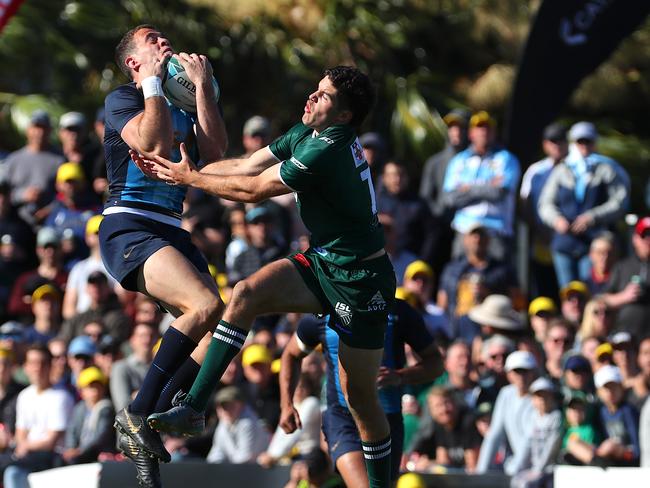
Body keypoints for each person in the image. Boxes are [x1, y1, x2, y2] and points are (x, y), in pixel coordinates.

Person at [140, 66, 396, 488]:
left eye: (325, 96)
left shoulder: (327, 149)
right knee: (244, 295)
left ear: (345, 116)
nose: (313, 98)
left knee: (361, 401)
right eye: (315, 89)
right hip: (324, 261)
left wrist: (189, 178)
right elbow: (247, 163)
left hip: (362, 278)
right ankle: (193, 407)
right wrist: (181, 170)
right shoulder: (308, 133)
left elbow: (254, 189)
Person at [100, 24, 228, 485]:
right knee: (206, 305)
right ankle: (137, 413)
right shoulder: (123, 99)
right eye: (152, 39)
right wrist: (153, 82)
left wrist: (201, 93)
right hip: (129, 224)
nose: (163, 41)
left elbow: (213, 154)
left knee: (222, 332)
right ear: (134, 62)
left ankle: (145, 422)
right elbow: (152, 144)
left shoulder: (177, 104)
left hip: (172, 230)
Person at [278, 299, 442, 487]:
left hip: (387, 420)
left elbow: (436, 363)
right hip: (343, 418)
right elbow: (290, 354)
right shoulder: (322, 313)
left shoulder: (398, 311)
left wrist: (399, 376)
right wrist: (286, 404)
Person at [538, 121, 628, 288]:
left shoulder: (606, 168)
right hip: (565, 241)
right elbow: (545, 204)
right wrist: (557, 220)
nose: (584, 146)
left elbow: (620, 202)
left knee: (590, 289)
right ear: (573, 143)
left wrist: (592, 217)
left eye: (588, 141)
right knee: (568, 292)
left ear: (595, 142)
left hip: (594, 242)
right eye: (580, 141)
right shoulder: (563, 169)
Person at [442, 111, 521, 261]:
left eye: (488, 128)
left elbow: (499, 193)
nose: (484, 131)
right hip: (464, 230)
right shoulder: (459, 161)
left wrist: (468, 188)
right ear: (471, 133)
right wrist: (487, 186)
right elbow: (450, 198)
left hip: (496, 231)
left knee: (497, 280)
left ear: (494, 132)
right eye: (479, 127)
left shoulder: (506, 159)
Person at [2, 345, 74, 488]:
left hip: (52, 456)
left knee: (10, 469)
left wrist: (25, 446)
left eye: (42, 363)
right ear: (26, 367)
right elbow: (20, 433)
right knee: (11, 471)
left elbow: (51, 442)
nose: (38, 368)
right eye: (33, 363)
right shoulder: (24, 396)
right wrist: (21, 446)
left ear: (50, 366)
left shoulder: (61, 397)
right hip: (26, 455)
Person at [519, 122, 568, 298]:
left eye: (561, 140)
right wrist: (540, 232)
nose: (557, 145)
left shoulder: (577, 168)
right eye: (553, 141)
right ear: (545, 144)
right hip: (541, 240)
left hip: (569, 240)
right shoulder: (536, 171)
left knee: (568, 290)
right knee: (542, 289)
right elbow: (525, 207)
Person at [476, 350, 537, 475]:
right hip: (515, 468)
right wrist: (481, 472)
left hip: (536, 468)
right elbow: (494, 435)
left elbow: (530, 440)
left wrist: (515, 469)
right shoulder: (506, 394)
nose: (521, 376)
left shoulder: (540, 397)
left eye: (525, 371)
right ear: (508, 374)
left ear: (533, 373)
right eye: (517, 371)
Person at [1, 110, 65, 226]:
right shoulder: (13, 159)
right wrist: (22, 195)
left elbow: (66, 193)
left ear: (50, 130)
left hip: (51, 221)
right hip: (17, 222)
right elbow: (5, 193)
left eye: (43, 128)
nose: (39, 132)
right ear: (28, 130)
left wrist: (50, 209)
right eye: (36, 127)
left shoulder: (59, 159)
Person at [408, 386, 482, 472]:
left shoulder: (467, 422)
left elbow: (472, 467)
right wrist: (427, 464)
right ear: (431, 411)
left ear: (455, 403)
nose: (444, 409)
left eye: (447, 403)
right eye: (438, 406)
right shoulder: (440, 424)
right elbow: (443, 461)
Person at [509, 377, 562, 488]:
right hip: (533, 468)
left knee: (526, 484)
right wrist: (519, 466)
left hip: (550, 470)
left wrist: (538, 469)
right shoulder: (533, 417)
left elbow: (551, 447)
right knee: (516, 481)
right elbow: (528, 444)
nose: (542, 399)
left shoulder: (556, 417)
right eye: (538, 396)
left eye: (545, 395)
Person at [602, 216, 650, 339]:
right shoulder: (622, 267)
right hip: (624, 337)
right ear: (635, 239)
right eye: (644, 235)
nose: (648, 240)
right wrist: (624, 297)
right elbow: (603, 300)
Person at [62, 366, 115, 464]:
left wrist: (80, 451)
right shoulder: (79, 408)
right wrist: (71, 448)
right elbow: (72, 430)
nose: (95, 391)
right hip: (80, 454)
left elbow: (100, 436)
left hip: (98, 455)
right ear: (81, 391)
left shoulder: (106, 408)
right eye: (90, 387)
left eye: (98, 386)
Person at [205, 385, 270, 464]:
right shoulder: (224, 422)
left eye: (229, 405)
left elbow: (244, 458)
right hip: (241, 471)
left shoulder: (248, 423)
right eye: (221, 406)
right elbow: (217, 453)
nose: (225, 410)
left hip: (258, 472)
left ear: (241, 405)